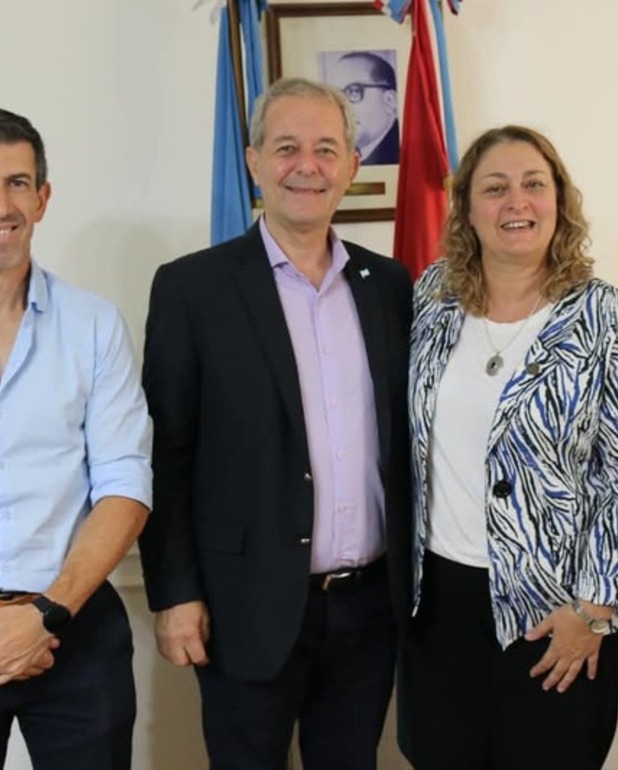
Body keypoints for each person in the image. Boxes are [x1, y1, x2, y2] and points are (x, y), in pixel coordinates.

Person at [140, 77, 413, 770]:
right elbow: (166, 454)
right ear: (256, 160)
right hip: (242, 608)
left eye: (327, 148)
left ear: (352, 165)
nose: (307, 165)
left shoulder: (391, 287)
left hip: (368, 609)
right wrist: (175, 594)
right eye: (287, 147)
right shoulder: (191, 288)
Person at [405, 125, 618, 770]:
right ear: (467, 208)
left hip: (557, 606)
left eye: (533, 185)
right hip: (439, 603)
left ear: (559, 202)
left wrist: (595, 608)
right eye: (494, 188)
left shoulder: (605, 315)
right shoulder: (433, 299)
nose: (515, 202)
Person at [0, 109, 152, 769]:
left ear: (43, 197)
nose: (2, 203)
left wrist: (44, 616)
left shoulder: (92, 325)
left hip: (74, 626)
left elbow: (125, 482)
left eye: (16, 182)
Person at [327, 51, 400, 166]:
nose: (341, 106)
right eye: (335, 95)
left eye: (354, 91)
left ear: (390, 101)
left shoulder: (406, 154)